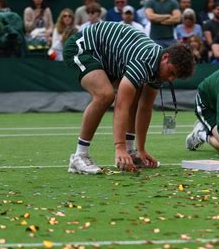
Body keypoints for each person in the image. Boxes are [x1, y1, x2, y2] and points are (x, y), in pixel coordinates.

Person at [63, 21, 195, 173]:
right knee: (105, 95)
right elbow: (121, 105)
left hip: (109, 58)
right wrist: (119, 147)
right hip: (84, 48)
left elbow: (145, 107)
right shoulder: (144, 61)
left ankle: (132, 151)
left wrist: (141, 150)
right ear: (165, 57)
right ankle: (79, 156)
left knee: (135, 93)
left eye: (175, 77)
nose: (171, 79)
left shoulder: (158, 70)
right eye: (171, 72)